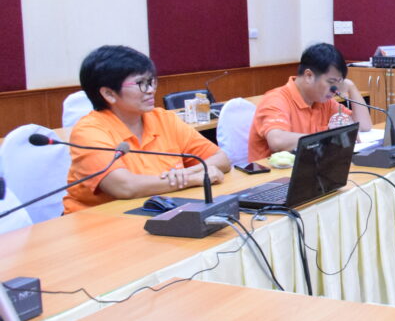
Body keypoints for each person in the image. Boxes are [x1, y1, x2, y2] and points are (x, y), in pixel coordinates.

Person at [63, 45, 231, 213]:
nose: (150, 90)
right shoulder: (89, 132)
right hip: (100, 221)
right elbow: (124, 187)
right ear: (109, 94)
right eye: (141, 84)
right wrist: (192, 179)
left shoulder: (164, 119)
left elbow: (221, 159)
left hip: (159, 212)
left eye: (151, 82)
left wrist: (185, 173)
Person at [248, 43, 372, 162]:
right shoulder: (276, 99)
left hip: (311, 167)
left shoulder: (323, 101)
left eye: (339, 82)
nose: (335, 89)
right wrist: (330, 138)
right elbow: (277, 141)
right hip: (274, 174)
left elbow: (364, 125)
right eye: (331, 82)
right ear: (308, 76)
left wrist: (351, 87)